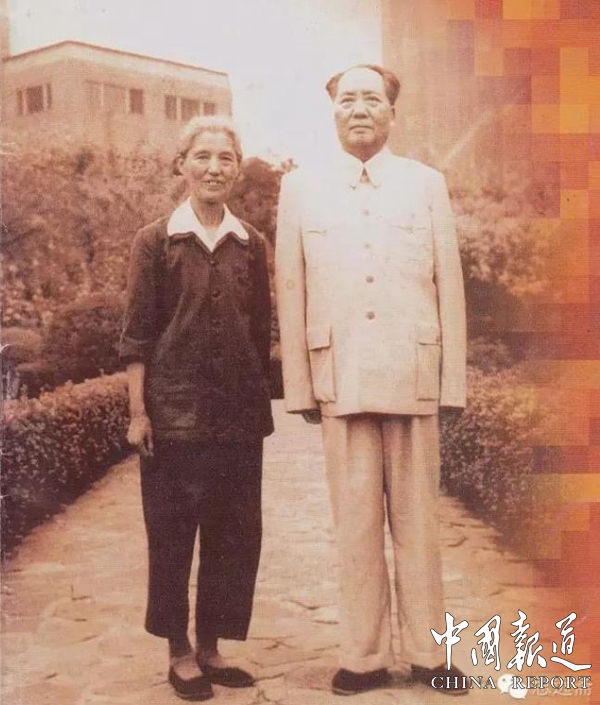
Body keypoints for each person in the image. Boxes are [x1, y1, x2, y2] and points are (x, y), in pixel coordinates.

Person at [275, 64, 467, 696]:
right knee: (354, 527)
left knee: (419, 526)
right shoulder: (301, 188)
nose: (359, 109)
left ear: (391, 113)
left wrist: (451, 383)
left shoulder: (425, 183)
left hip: (412, 373)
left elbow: (449, 285)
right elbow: (291, 286)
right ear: (333, 112)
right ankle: (362, 657)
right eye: (348, 100)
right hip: (343, 377)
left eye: (372, 99)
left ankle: (430, 655)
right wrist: (300, 386)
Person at [120, 116, 274, 701]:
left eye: (225, 158)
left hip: (237, 419)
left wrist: (257, 402)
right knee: (171, 535)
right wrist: (139, 413)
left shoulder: (251, 243)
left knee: (234, 536)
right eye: (202, 156)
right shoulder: (155, 241)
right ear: (181, 164)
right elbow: (137, 335)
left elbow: (259, 332)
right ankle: (178, 651)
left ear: (237, 168)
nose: (214, 168)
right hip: (173, 418)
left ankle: (211, 647)